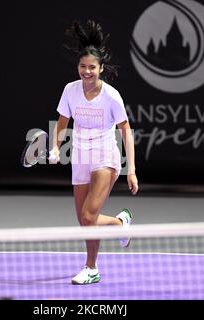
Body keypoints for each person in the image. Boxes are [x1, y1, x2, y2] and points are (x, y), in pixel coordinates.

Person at [48, 20, 138, 285]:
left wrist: (131, 169)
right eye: (82, 66)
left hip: (105, 155)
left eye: (92, 67)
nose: (86, 72)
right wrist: (55, 146)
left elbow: (126, 130)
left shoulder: (111, 96)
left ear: (101, 69)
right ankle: (120, 225)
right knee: (84, 220)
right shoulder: (70, 90)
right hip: (80, 155)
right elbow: (62, 123)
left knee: (89, 216)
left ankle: (90, 267)